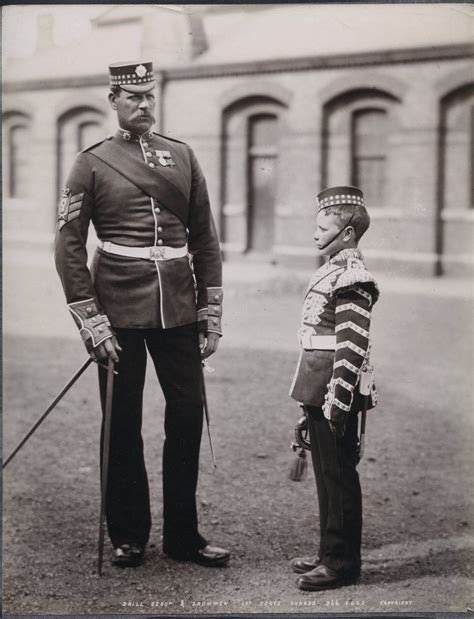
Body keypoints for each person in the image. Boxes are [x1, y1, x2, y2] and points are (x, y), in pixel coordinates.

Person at [55, 60, 230, 569]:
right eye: (132, 97)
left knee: (186, 415)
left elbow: (205, 241)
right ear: (113, 100)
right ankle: (128, 534)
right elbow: (68, 246)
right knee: (122, 421)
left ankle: (184, 536)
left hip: (177, 306)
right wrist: (92, 321)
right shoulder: (90, 163)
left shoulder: (182, 156)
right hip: (117, 311)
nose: (144, 104)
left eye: (149, 96)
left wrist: (210, 312)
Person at [289, 186, 379, 591]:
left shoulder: (352, 274)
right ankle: (329, 551)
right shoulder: (331, 268)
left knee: (338, 473)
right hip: (316, 381)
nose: (314, 234)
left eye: (322, 227)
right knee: (327, 474)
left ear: (346, 234)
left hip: (334, 387)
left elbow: (353, 343)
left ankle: (341, 563)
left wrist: (338, 400)